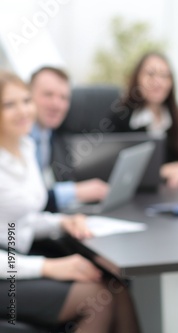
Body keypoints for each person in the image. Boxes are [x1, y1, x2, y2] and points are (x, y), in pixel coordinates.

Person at [0, 71, 141, 332]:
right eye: (9, 104)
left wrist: (63, 222)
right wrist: (48, 267)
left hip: (18, 259)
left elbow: (21, 221)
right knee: (96, 299)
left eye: (25, 101)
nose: (22, 110)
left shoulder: (25, 147)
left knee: (115, 285)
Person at [111, 52, 178, 189]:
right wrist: (161, 172)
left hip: (173, 198)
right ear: (137, 79)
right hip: (136, 202)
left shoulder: (174, 119)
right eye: (150, 74)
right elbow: (111, 172)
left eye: (165, 76)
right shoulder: (121, 117)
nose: (158, 82)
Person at [30, 67, 109, 212]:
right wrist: (76, 192)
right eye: (48, 95)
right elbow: (27, 198)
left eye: (63, 98)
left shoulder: (51, 135)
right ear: (28, 96)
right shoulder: (16, 140)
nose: (56, 105)